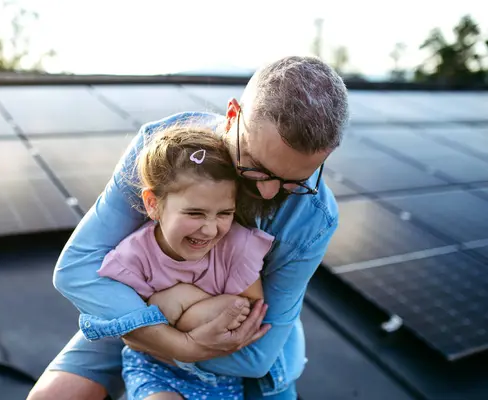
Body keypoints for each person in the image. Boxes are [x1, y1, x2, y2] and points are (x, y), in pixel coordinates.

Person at [27, 55, 349, 400]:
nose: (268, 191)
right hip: (146, 305)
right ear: (232, 117)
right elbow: (77, 268)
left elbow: (256, 356)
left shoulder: (315, 219)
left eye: (293, 182)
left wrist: (152, 336)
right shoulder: (166, 150)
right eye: (256, 167)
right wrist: (178, 342)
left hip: (228, 343)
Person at [99, 125, 275, 399]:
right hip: (156, 366)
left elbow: (245, 312)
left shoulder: (236, 247)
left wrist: (176, 302)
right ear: (153, 204)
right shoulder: (131, 258)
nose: (209, 229)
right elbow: (133, 337)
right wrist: (200, 322)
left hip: (220, 374)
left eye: (224, 213)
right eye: (194, 213)